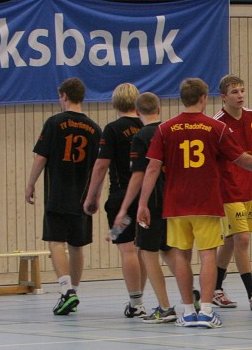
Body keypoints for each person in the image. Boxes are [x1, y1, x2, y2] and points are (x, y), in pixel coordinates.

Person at [136, 78, 252, 329]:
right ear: (203, 98)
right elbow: (241, 158)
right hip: (206, 202)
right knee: (208, 255)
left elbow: (152, 168)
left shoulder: (165, 129)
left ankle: (188, 312)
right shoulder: (215, 127)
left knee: (181, 256)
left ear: (181, 98)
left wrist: (142, 204)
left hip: (176, 204)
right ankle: (207, 312)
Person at [24, 78, 101, 316]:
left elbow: (41, 157)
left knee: (56, 241)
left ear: (65, 96)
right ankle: (74, 291)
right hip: (83, 193)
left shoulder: (54, 123)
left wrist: (30, 183)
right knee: (77, 245)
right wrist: (95, 194)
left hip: (58, 191)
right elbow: (99, 165)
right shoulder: (95, 129)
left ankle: (66, 290)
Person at [84, 83, 147, 318]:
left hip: (122, 198)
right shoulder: (147, 126)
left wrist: (92, 196)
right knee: (145, 250)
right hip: (149, 197)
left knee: (127, 249)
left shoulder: (112, 130)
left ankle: (136, 302)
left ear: (115, 103)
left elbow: (101, 166)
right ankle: (144, 299)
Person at [114, 92, 175, 323]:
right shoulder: (169, 131)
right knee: (170, 252)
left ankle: (165, 307)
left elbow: (140, 175)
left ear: (138, 112)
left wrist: (125, 208)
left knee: (148, 253)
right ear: (159, 110)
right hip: (173, 201)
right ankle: (191, 299)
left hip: (152, 201)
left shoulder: (141, 136)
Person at [213, 74, 252, 312]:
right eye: (235, 92)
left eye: (242, 91)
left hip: (251, 188)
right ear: (223, 97)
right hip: (228, 190)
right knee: (242, 240)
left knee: (230, 240)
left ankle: (216, 289)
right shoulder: (218, 124)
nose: (240, 96)